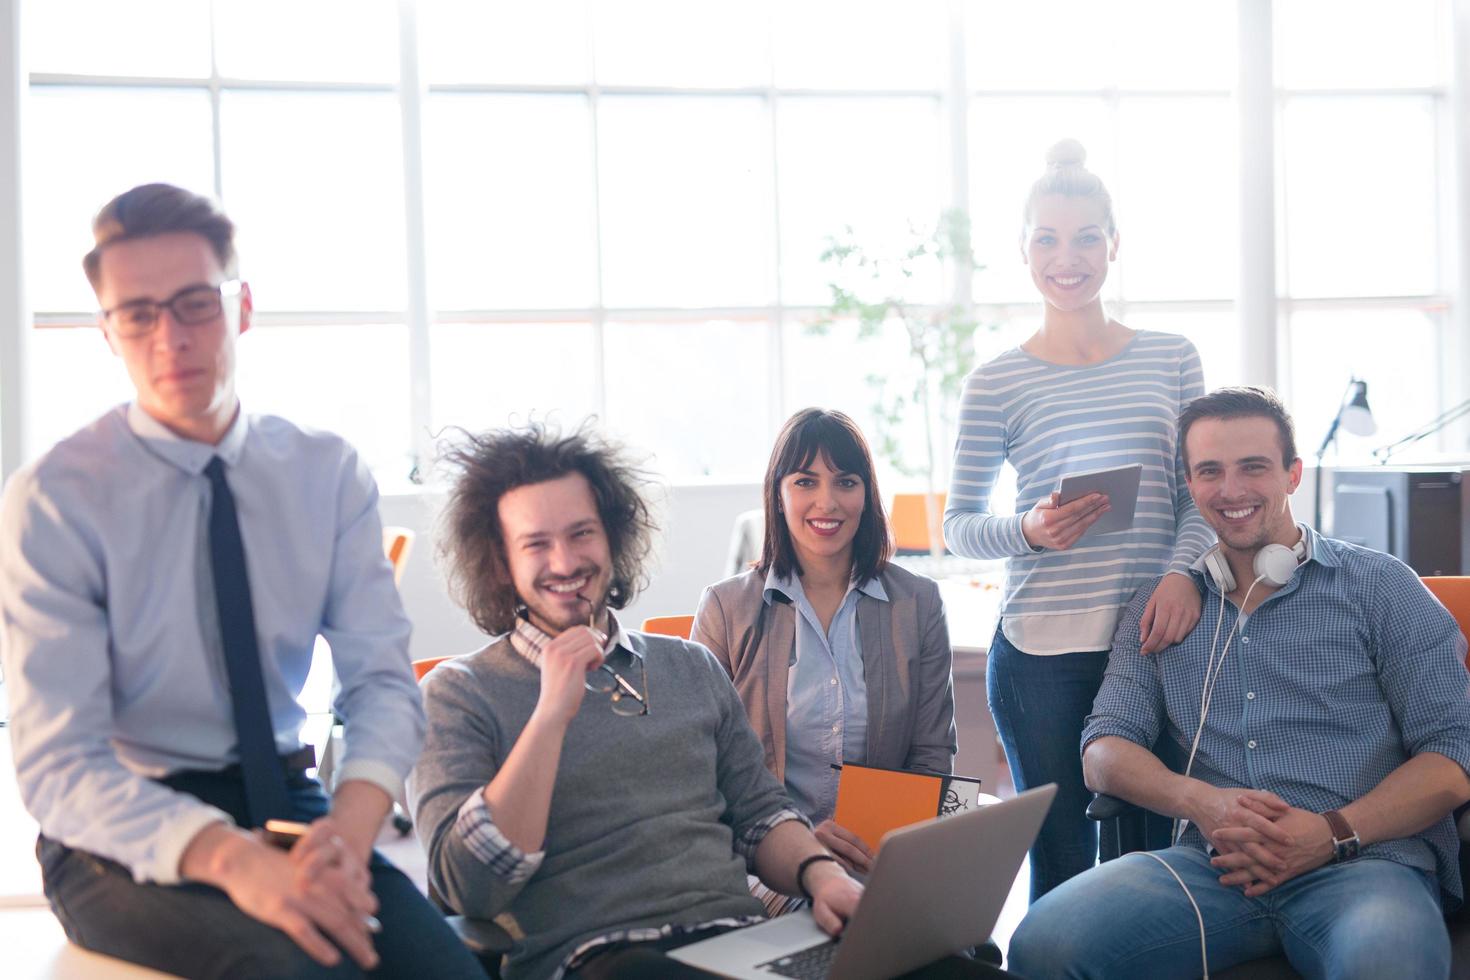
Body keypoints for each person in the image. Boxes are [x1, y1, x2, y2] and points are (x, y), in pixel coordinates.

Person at [0, 183, 482, 979]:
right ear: (108, 330)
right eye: (138, 314)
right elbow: (60, 764)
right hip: (115, 832)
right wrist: (230, 860)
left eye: (195, 304)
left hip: (290, 804)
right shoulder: (56, 498)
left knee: (445, 971)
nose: (169, 339)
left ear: (243, 307)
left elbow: (382, 683)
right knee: (290, 968)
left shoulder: (323, 473)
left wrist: (354, 825)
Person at [407, 422, 1006, 980]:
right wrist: (550, 715)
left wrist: (823, 877)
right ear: (499, 560)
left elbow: (759, 812)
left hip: (740, 941)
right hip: (603, 954)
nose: (565, 561)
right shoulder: (459, 695)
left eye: (582, 533)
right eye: (536, 543)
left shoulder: (686, 667)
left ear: (613, 538)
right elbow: (471, 889)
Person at [1008, 386, 1470, 979]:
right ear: (1190, 484)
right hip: (1209, 867)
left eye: (1253, 467)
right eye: (1210, 472)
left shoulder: (1383, 589)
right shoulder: (1160, 606)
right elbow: (1103, 751)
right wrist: (1201, 802)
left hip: (1363, 861)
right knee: (1044, 943)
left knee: (1385, 964)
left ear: (1293, 474)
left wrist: (1329, 834)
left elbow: (1453, 755)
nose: (1231, 490)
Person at [943, 138, 1212, 901]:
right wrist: (1027, 529)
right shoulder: (995, 382)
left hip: (1159, 644)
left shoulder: (1172, 358)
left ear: (1114, 245)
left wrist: (1179, 574)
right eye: (1048, 239)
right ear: (1023, 251)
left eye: (1087, 237)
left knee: (1161, 871)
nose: (1069, 258)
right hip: (1040, 660)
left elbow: (1196, 499)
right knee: (1061, 876)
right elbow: (960, 525)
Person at [693, 407, 957, 880]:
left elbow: (931, 757)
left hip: (881, 857)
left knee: (965, 947)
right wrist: (796, 846)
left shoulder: (917, 603)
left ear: (867, 494)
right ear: (777, 495)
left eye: (846, 482)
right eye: (805, 482)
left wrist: (894, 856)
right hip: (767, 864)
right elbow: (702, 773)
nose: (827, 502)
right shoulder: (725, 609)